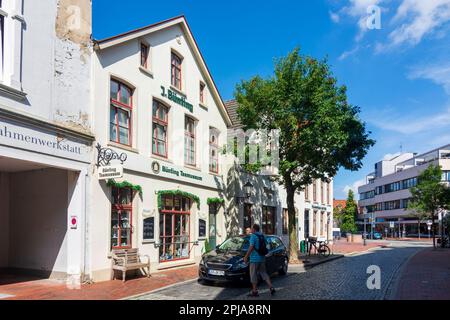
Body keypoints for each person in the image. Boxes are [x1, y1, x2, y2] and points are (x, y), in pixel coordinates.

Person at [243, 224, 275, 297]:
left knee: (253, 275)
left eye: (251, 228)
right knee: (264, 273)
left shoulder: (253, 236)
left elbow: (251, 247)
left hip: (254, 259)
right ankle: (271, 287)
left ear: (254, 229)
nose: (251, 230)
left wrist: (246, 256)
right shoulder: (263, 236)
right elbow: (267, 245)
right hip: (262, 258)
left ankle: (254, 291)